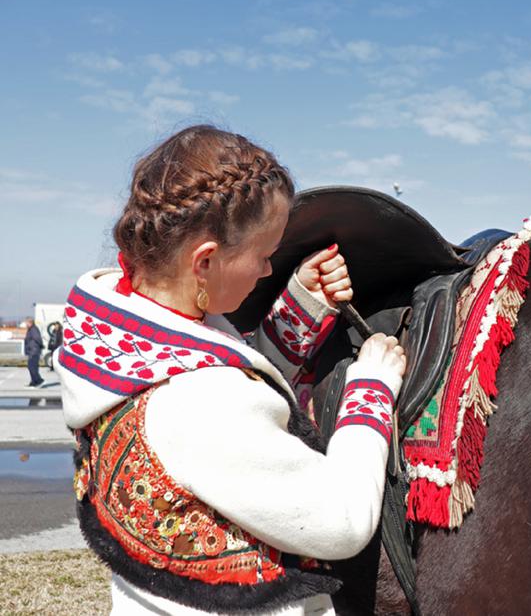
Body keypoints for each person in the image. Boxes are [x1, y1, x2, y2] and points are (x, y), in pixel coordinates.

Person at [55, 125, 406, 615]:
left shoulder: (117, 332)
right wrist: (370, 388)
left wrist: (302, 303)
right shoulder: (198, 401)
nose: (267, 271)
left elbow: (232, 373)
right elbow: (341, 519)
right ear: (205, 261)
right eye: (263, 255)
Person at [23, 317, 43, 388]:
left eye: (26, 323)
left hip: (34, 351)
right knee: (31, 366)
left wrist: (40, 346)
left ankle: (39, 380)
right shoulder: (30, 329)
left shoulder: (34, 329)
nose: (26, 324)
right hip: (31, 351)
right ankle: (33, 381)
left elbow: (38, 338)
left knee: (32, 366)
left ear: (30, 322)